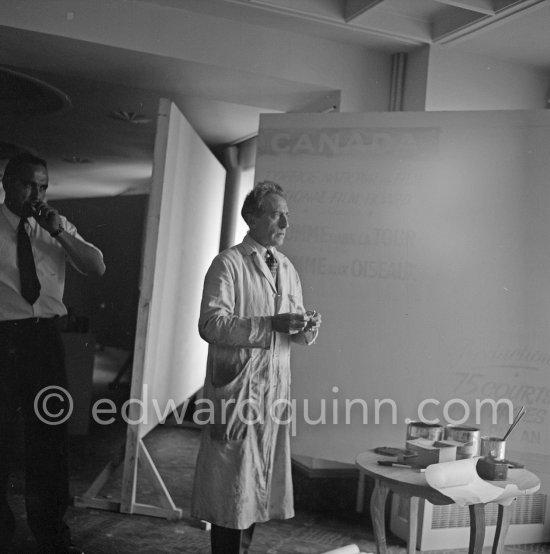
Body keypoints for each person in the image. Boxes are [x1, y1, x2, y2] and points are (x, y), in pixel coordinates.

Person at [191, 181, 322, 554]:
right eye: (276, 213)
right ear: (252, 216)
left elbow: (288, 327)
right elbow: (211, 324)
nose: (284, 222)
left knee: (253, 489)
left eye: (287, 215)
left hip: (271, 391)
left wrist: (305, 328)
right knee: (229, 492)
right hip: (238, 391)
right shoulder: (228, 263)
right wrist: (269, 324)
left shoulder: (286, 268)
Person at [0, 153, 106, 554]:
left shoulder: (55, 227)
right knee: (2, 438)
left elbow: (96, 267)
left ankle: (50, 534)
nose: (36, 193)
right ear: (7, 182)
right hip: (3, 340)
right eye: (28, 184)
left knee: (49, 439)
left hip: (45, 342)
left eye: (43, 186)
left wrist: (59, 231)